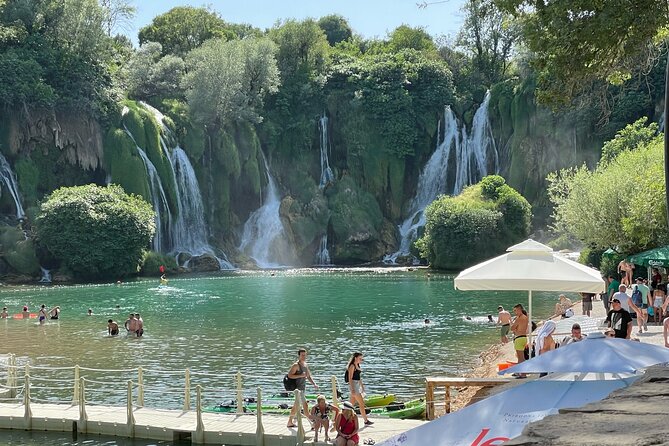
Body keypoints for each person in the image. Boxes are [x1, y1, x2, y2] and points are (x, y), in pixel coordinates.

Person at [286, 348, 318, 428]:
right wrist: (300, 375)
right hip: (297, 389)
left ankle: (290, 422)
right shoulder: (296, 365)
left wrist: (314, 384)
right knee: (305, 406)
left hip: (303, 389)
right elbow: (289, 375)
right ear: (299, 355)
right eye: (302, 355)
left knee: (296, 406)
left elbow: (308, 375)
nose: (304, 357)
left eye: (305, 355)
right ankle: (312, 423)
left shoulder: (305, 364)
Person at [346, 352, 373, 425]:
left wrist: (362, 386)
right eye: (360, 358)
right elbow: (350, 378)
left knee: (350, 405)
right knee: (361, 403)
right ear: (355, 358)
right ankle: (366, 420)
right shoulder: (352, 366)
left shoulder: (357, 365)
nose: (361, 360)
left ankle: (344, 418)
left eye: (361, 358)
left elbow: (359, 377)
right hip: (354, 385)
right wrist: (352, 389)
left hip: (357, 384)